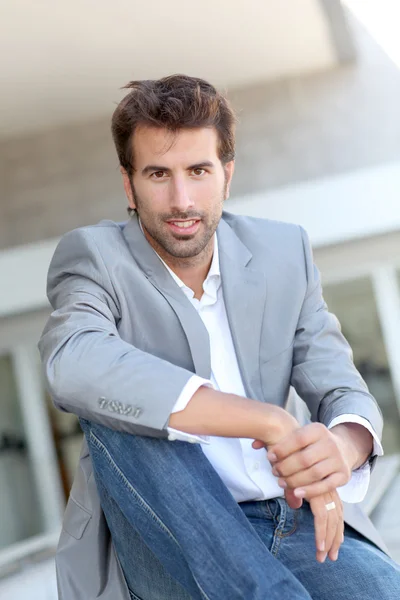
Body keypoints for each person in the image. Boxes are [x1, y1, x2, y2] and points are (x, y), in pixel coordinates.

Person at [39, 74, 400, 600]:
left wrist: (340, 448)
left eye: (199, 171)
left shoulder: (283, 252)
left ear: (226, 176)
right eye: (158, 173)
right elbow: (72, 361)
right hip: (168, 539)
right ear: (128, 184)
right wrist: (266, 420)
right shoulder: (96, 259)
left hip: (293, 520)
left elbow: (342, 389)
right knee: (119, 408)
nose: (181, 199)